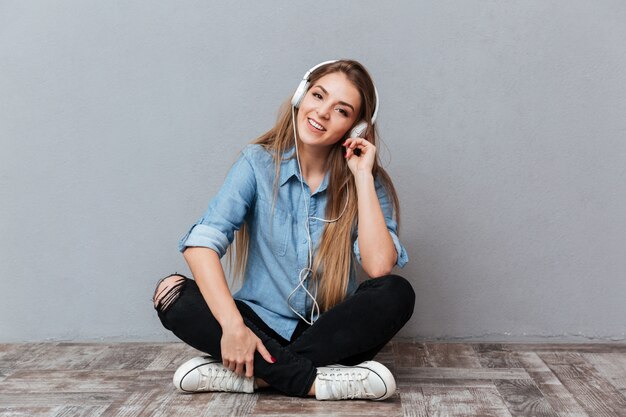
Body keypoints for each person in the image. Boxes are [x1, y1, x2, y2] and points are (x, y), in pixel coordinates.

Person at [152, 59, 415, 401]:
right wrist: (233, 328)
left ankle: (256, 377)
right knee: (171, 292)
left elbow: (379, 266)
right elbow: (201, 245)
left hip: (330, 334)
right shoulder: (257, 163)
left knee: (396, 292)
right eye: (318, 96)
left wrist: (363, 176)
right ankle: (316, 382)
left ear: (356, 127)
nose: (322, 113)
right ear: (300, 97)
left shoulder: (367, 182)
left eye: (341, 111)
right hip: (257, 328)